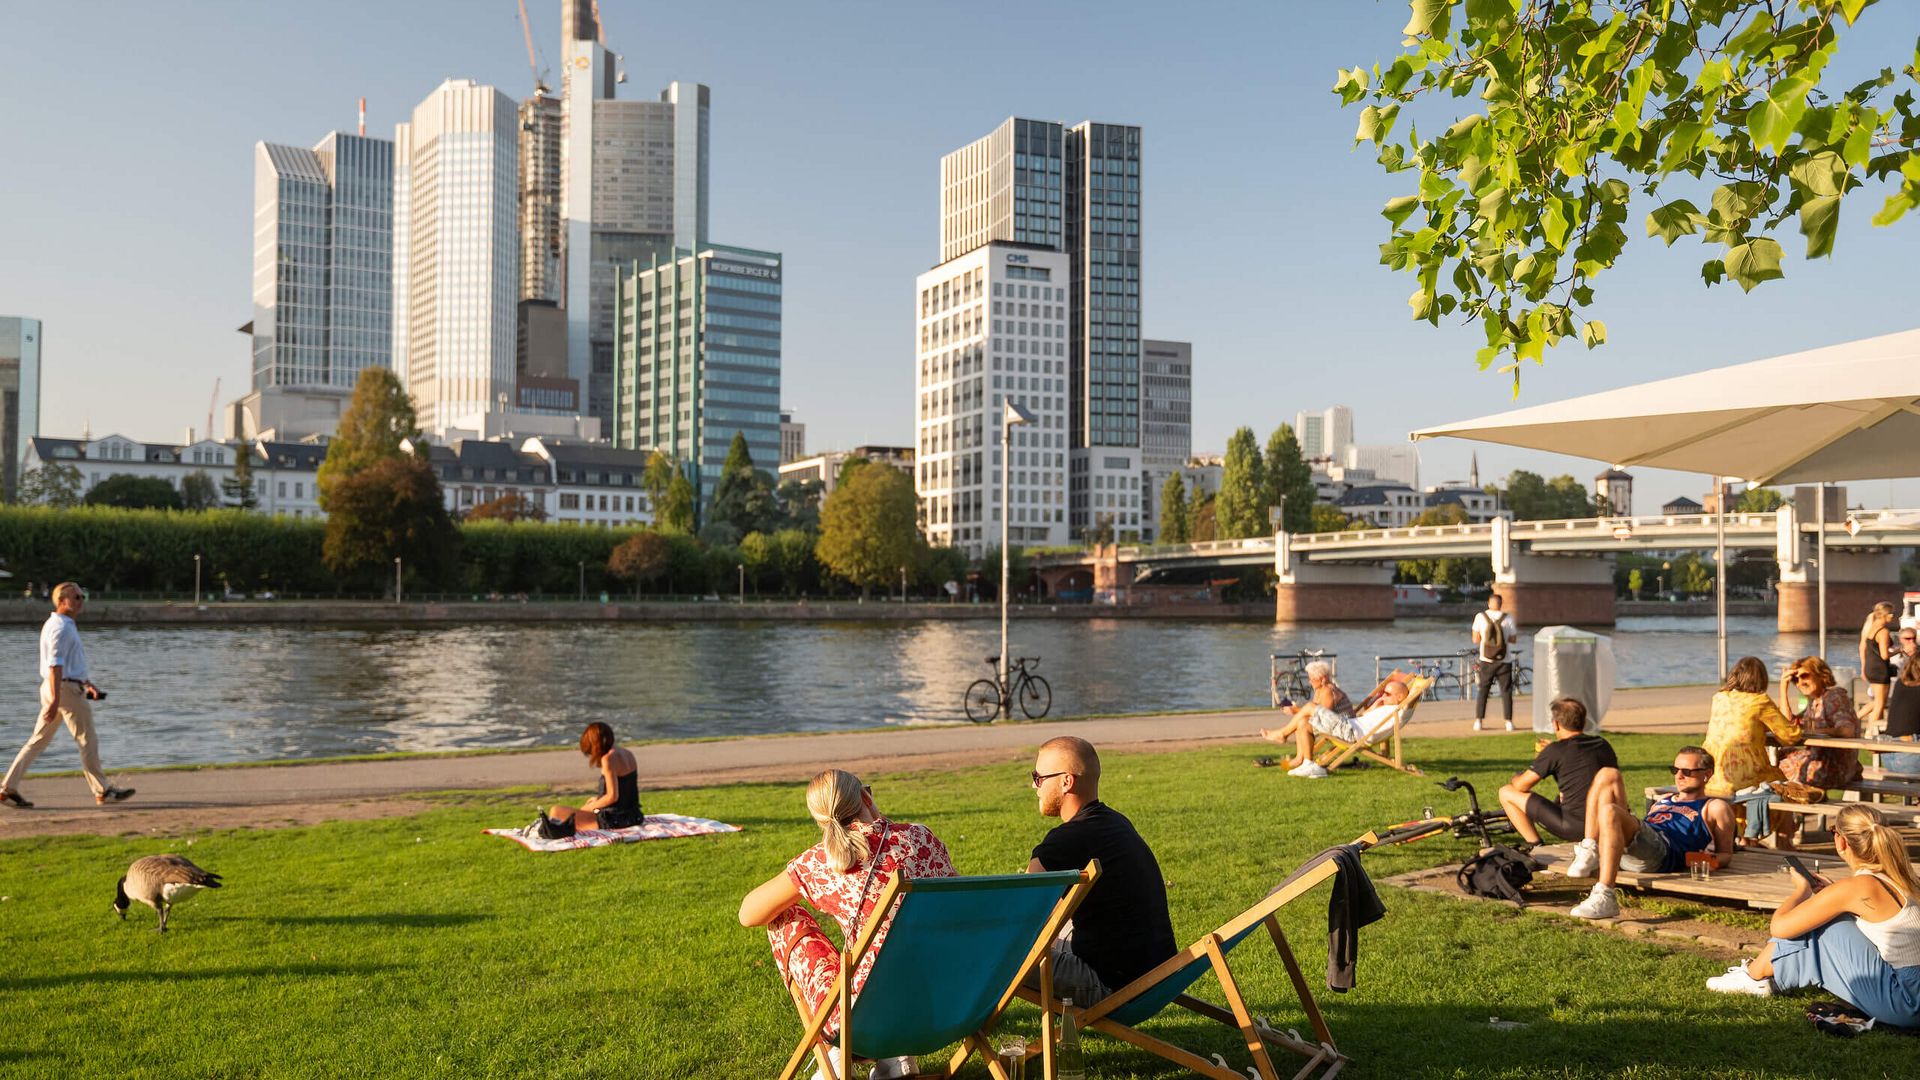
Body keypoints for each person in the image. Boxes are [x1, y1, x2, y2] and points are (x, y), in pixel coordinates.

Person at [739, 770, 954, 1080]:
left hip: (859, 1022)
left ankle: (837, 1057)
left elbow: (748, 913)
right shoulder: (921, 838)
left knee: (784, 916)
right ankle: (896, 1057)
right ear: (866, 797)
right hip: (942, 1006)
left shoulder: (820, 863)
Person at [1705, 804, 1920, 1028]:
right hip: (1912, 993)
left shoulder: (1858, 886)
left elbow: (1780, 928)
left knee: (1824, 925)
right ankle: (1761, 975)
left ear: (1841, 841)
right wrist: (1830, 895)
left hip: (1907, 1003)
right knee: (1828, 915)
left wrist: (1802, 891)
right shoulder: (1901, 878)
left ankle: (1755, 977)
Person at [1026, 736, 1177, 1005]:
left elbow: (1016, 918)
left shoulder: (1065, 841)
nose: (1034, 785)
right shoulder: (1115, 823)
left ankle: (966, 1023)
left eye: (1039, 778)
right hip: (1156, 972)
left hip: (1110, 983)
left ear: (1066, 781)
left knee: (992, 954)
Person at [1, 582, 132, 809]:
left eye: (82, 596)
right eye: (76, 597)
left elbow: (68, 664)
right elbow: (55, 665)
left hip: (62, 688)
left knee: (38, 741)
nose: (81, 600)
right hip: (64, 691)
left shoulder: (62, 625)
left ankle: (7, 789)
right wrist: (55, 700)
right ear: (62, 601)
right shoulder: (60, 628)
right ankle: (102, 790)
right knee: (87, 740)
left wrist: (87, 684)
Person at [1568, 746, 1735, 919]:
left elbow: (1726, 854)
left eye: (1686, 771)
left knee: (1610, 811)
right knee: (1608, 774)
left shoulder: (1715, 807)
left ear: (1706, 774)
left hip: (1663, 851)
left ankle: (1605, 895)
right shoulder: (1664, 800)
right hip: (1638, 846)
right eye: (1675, 770)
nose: (1679, 776)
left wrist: (1700, 860)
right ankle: (1589, 848)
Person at [1497, 697, 1622, 855]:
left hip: (1575, 826)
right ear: (1583, 721)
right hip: (1606, 823)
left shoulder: (1555, 751)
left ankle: (1536, 846)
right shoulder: (1602, 744)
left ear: (1556, 723)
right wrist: (1552, 752)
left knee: (1506, 791)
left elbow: (1522, 785)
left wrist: (1516, 776)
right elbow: (1578, 760)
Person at [1259, 666, 1383, 779]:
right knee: (1302, 721)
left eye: (1312, 679)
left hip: (1345, 730)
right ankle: (1298, 761)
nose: (1309, 681)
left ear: (1323, 678)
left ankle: (1283, 735)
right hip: (1336, 727)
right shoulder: (1320, 691)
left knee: (1306, 714)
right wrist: (1297, 711)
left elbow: (1323, 714)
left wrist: (1297, 710)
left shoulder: (1329, 690)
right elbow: (1318, 716)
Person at [1776, 656, 1862, 791]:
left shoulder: (1834, 697)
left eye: (1804, 676)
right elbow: (1787, 725)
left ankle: (1796, 806)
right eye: (1795, 680)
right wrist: (1783, 688)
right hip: (1823, 763)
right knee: (1777, 756)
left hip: (1835, 768)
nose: (1800, 683)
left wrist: (1815, 732)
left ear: (1821, 675)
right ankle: (1797, 805)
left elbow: (1847, 730)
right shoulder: (1815, 702)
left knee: (1774, 766)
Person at [544, 722, 642, 831]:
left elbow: (613, 796)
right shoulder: (627, 753)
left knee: (556, 811)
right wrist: (597, 800)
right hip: (634, 816)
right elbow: (625, 790)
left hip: (616, 819)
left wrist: (590, 808)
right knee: (586, 806)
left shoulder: (608, 758)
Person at [1471, 593, 1519, 732]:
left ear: (1489, 603)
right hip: (1505, 660)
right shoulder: (1508, 618)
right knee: (1506, 691)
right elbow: (1514, 639)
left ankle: (1478, 721)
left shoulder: (1480, 617)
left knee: (1483, 690)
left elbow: (1475, 639)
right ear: (1501, 604)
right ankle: (1508, 722)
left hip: (1486, 660)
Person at [1859, 602, 1897, 730]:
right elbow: (1885, 655)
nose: (1892, 616)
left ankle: (1854, 717)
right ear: (1885, 615)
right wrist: (1900, 650)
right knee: (1880, 704)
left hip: (1871, 667)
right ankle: (1871, 732)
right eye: (1891, 613)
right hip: (1880, 669)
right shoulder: (1883, 631)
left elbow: (1865, 647)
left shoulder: (1870, 627)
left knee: (1876, 701)